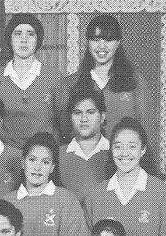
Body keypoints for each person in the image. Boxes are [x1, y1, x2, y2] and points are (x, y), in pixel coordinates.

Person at [83, 118, 166, 236]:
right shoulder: (96, 195)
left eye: (132, 146)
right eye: (118, 146)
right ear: (111, 150)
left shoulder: (161, 193)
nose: (124, 153)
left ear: (143, 150)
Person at [53, 15, 156, 147]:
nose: (102, 46)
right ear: (87, 42)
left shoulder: (135, 82)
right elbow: (63, 133)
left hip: (123, 162)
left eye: (109, 39)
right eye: (96, 39)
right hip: (85, 163)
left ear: (118, 43)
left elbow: (147, 130)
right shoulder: (71, 84)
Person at [6, 132, 87, 236]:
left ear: (52, 167)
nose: (37, 167)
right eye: (32, 160)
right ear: (23, 163)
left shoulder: (66, 200)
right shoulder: (7, 202)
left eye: (45, 162)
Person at [0, 14, 62, 149]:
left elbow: (64, 123)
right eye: (18, 34)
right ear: (10, 39)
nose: (24, 40)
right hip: (6, 157)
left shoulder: (54, 77)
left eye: (30, 34)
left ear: (38, 40)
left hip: (44, 158)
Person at [57, 86, 111, 201]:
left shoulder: (116, 153)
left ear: (102, 117)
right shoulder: (57, 155)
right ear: (70, 117)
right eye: (77, 113)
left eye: (91, 112)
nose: (84, 119)